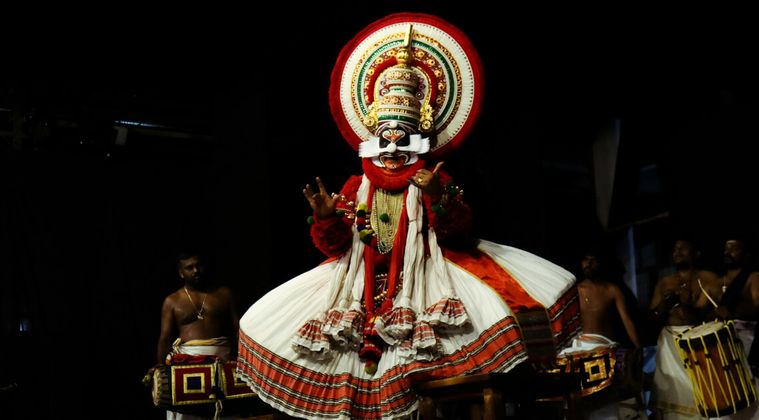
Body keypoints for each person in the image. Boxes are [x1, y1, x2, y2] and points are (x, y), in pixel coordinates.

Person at [235, 13, 579, 420]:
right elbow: (336, 246)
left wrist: (437, 197)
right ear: (371, 138)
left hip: (426, 283)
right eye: (385, 138)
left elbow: (456, 234)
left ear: (421, 136)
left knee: (441, 387)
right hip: (355, 292)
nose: (393, 147)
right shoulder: (354, 186)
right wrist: (326, 219)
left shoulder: (430, 176)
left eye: (403, 136)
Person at [151, 251, 241, 420]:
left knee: (226, 411)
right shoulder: (172, 300)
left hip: (221, 361)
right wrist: (160, 365)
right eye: (189, 267)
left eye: (198, 265)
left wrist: (241, 358)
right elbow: (165, 338)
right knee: (187, 413)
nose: (195, 270)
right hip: (185, 363)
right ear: (181, 273)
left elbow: (238, 329)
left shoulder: (224, 294)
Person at [559, 249, 643, 419]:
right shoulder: (574, 290)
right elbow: (564, 322)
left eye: (593, 260)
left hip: (605, 348)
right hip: (579, 348)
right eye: (585, 260)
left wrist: (639, 348)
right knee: (579, 401)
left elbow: (627, 320)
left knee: (607, 402)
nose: (588, 264)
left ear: (600, 263)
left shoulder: (612, 289)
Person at [698, 237, 759, 419]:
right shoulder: (714, 283)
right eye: (726, 248)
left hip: (749, 344)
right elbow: (700, 314)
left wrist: (732, 311)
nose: (728, 252)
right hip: (721, 348)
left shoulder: (754, 278)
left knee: (758, 400)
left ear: (746, 253)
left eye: (734, 248)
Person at [648, 238, 717, 419]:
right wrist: (666, 302)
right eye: (674, 249)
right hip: (670, 346)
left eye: (682, 249)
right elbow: (652, 318)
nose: (677, 252)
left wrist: (686, 304)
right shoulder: (665, 282)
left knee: (702, 398)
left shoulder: (708, 278)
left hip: (699, 344)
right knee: (673, 405)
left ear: (696, 253)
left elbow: (707, 315)